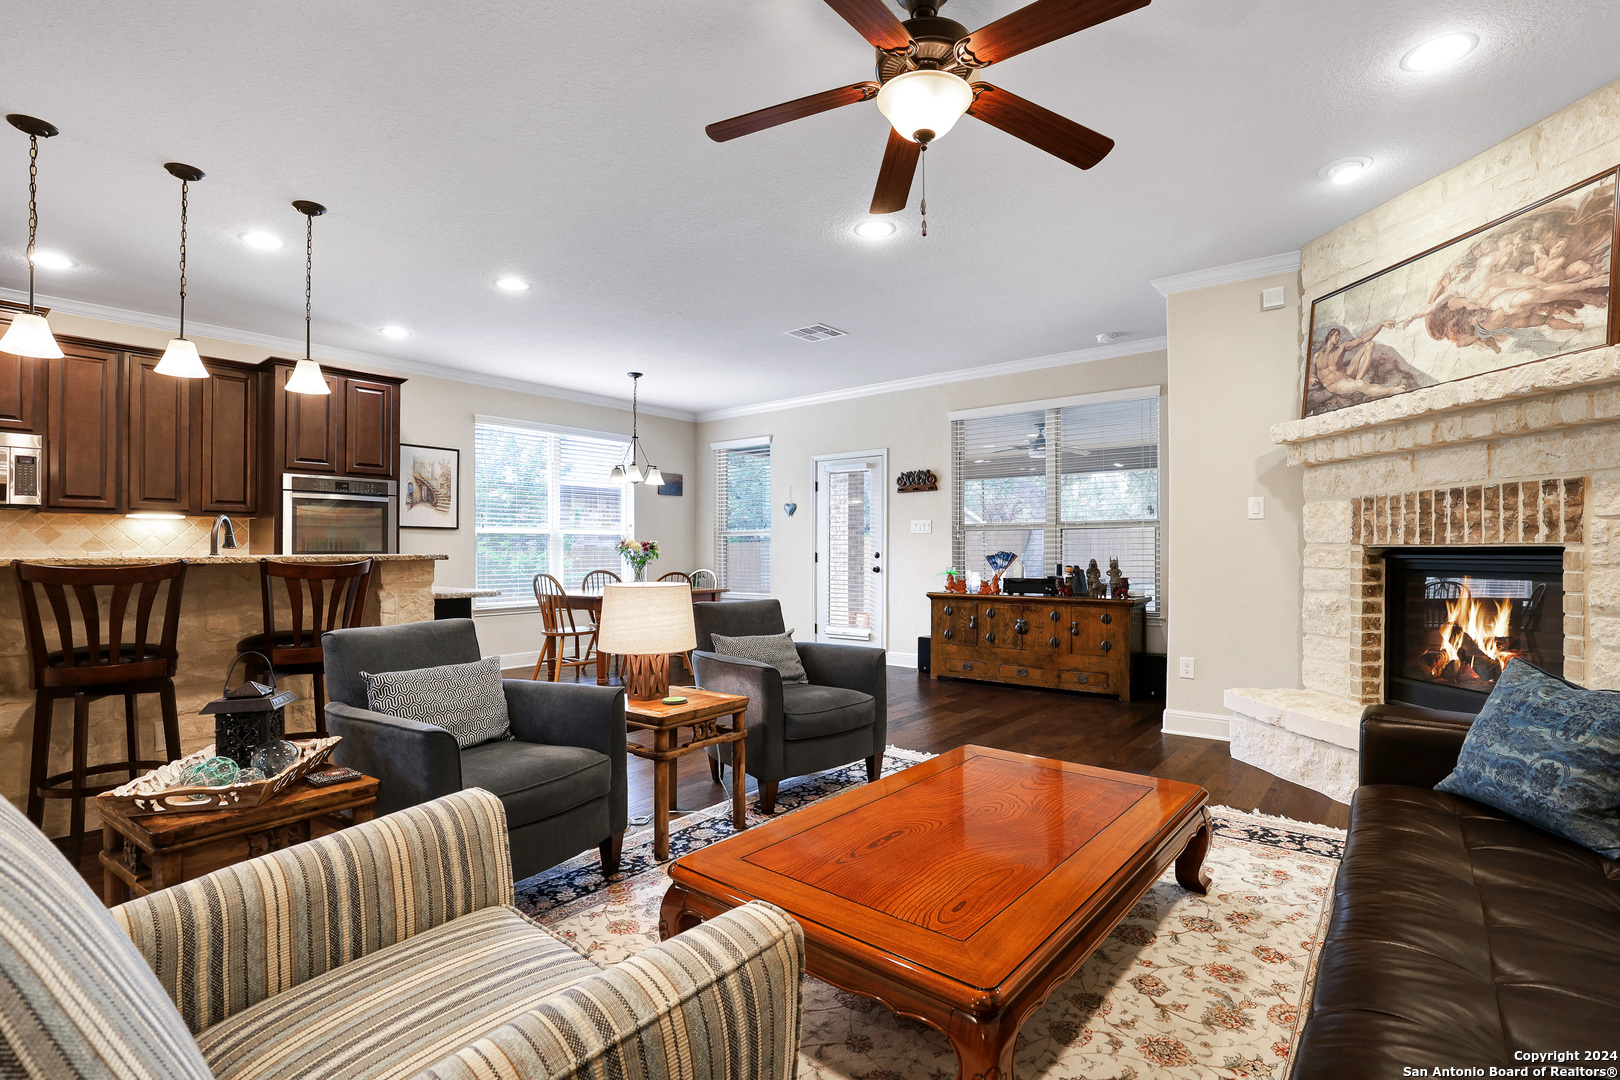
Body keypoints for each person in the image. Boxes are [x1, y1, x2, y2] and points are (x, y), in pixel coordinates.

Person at [1311, 323, 1404, 400]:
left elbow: (1363, 339)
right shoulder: (1318, 356)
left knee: (1370, 344)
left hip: (1346, 372)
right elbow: (1313, 374)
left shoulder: (1341, 348)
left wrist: (1381, 325)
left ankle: (1358, 379)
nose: (1338, 338)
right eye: (1336, 335)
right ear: (1329, 337)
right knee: (1362, 385)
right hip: (1335, 384)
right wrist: (1312, 378)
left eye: (1339, 336)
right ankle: (1391, 390)